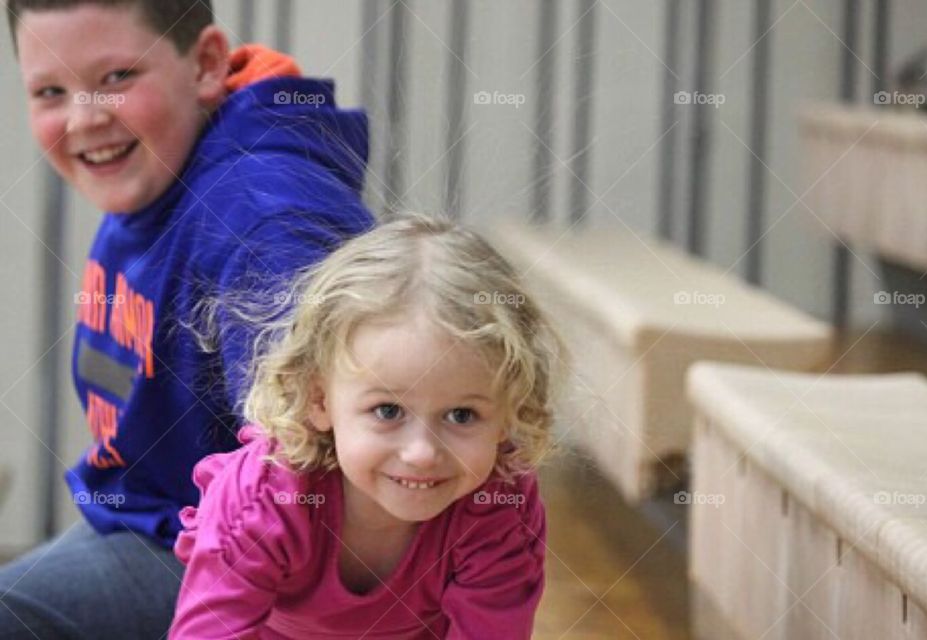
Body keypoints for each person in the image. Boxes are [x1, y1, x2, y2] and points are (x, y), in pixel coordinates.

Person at [1, 1, 374, 637]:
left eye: (118, 77)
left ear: (204, 64)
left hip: (247, 567)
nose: (86, 118)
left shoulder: (261, 220)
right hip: (158, 517)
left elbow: (324, 466)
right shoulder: (158, 161)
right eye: (51, 91)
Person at [169, 213, 567, 639]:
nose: (422, 452)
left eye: (461, 416)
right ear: (319, 399)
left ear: (508, 414)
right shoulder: (265, 501)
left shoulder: (496, 505)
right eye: (388, 411)